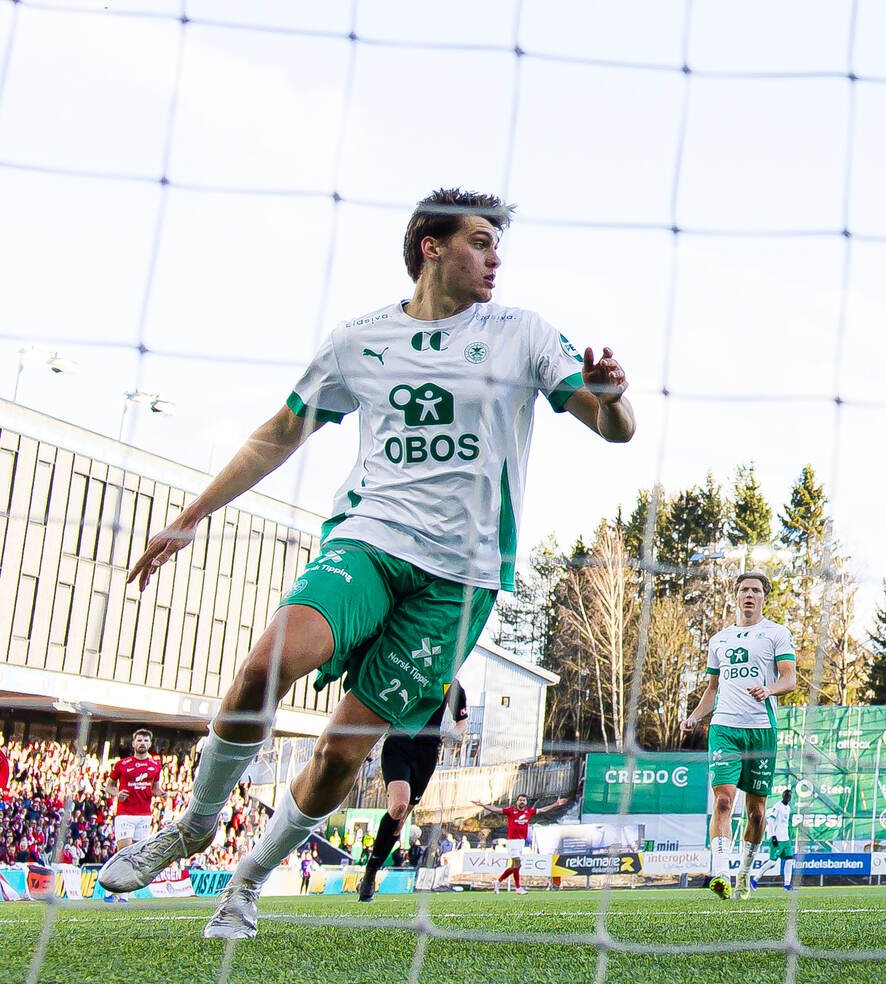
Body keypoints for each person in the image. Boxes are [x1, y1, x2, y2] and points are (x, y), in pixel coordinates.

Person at [100, 188, 635, 940]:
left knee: (341, 754)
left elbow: (614, 427)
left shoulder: (523, 334)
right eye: (481, 243)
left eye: (497, 245)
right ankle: (195, 823)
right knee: (267, 663)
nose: (495, 259)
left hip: (461, 580)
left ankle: (247, 885)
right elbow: (282, 429)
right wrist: (192, 516)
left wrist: (613, 400)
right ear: (432, 247)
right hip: (371, 540)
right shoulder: (360, 339)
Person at [682, 571, 797, 900]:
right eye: (744, 590)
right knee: (722, 801)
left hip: (761, 731)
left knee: (757, 812)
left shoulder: (776, 634)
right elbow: (712, 689)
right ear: (736, 596)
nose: (749, 595)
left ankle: (745, 873)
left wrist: (769, 689)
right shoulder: (719, 639)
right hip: (724, 728)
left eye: (756, 590)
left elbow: (789, 680)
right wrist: (694, 717)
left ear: (764, 597)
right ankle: (720, 873)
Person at [358, 681, 468, 902]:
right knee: (398, 805)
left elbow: (462, 722)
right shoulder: (409, 668)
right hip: (398, 745)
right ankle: (371, 873)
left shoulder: (451, 684)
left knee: (399, 823)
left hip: (426, 755)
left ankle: (373, 870)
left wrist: (453, 733)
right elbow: (380, 708)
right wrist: (366, 745)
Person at [475, 793, 545, 893]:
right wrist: (482, 805)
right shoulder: (511, 810)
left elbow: (543, 810)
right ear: (517, 801)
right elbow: (496, 809)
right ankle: (517, 887)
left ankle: (498, 882)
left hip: (521, 842)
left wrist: (556, 804)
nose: (522, 802)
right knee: (517, 863)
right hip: (513, 841)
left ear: (526, 802)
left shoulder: (529, 811)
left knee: (516, 866)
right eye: (520, 800)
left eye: (523, 800)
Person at [764, 788, 795, 891]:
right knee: (772, 862)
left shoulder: (788, 808)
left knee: (790, 859)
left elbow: (785, 824)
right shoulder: (777, 806)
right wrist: (773, 836)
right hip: (777, 838)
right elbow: (771, 821)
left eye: (789, 796)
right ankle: (755, 879)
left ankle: (787, 885)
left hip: (785, 839)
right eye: (786, 795)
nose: (788, 797)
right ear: (783, 796)